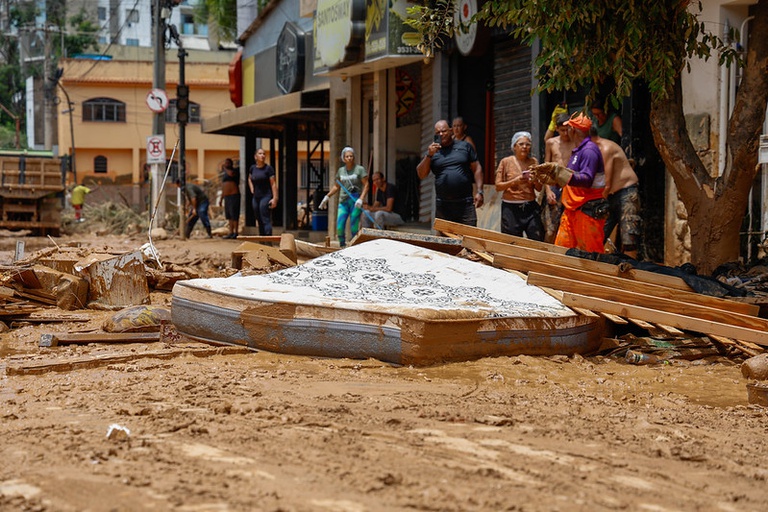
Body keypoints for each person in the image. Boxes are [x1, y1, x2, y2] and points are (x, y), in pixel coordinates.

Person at [531, 112, 607, 253]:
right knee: (562, 252)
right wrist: (551, 179)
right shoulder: (578, 151)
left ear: (573, 130)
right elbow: (570, 179)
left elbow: (586, 179)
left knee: (590, 256)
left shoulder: (589, 151)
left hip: (587, 212)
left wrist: (558, 172)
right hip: (572, 211)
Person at [417, 119, 484, 226]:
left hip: (465, 203)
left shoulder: (464, 146)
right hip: (443, 205)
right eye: (438, 133)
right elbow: (421, 174)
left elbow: (477, 168)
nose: (441, 134)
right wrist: (429, 155)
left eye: (444, 131)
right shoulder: (432, 152)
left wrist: (480, 191)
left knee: (469, 239)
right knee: (445, 240)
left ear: (451, 131)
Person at [591, 126, 641, 259]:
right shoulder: (592, 151)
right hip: (610, 196)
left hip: (626, 192)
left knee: (629, 236)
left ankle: (630, 271)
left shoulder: (606, 148)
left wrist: (597, 200)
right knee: (597, 235)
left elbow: (607, 183)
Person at [494, 131, 544, 240]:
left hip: (530, 206)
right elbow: (498, 186)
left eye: (527, 144)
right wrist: (515, 181)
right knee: (512, 242)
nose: (524, 147)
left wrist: (534, 180)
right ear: (514, 146)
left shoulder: (533, 162)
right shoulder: (505, 162)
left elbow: (539, 188)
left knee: (537, 238)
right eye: (521, 144)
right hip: (511, 208)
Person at [318, 146, 369, 247]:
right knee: (340, 226)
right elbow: (337, 186)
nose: (349, 158)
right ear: (343, 158)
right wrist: (327, 197)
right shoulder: (341, 171)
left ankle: (355, 246)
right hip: (343, 201)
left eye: (351, 156)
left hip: (355, 200)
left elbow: (367, 185)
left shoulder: (359, 169)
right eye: (347, 156)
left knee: (354, 226)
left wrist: (361, 199)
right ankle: (342, 245)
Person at [541, 113, 574, 243]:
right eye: (562, 130)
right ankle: (547, 257)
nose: (565, 133)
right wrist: (548, 191)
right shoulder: (551, 143)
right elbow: (545, 168)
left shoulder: (576, 142)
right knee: (550, 229)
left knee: (568, 227)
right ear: (557, 129)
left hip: (571, 187)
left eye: (567, 129)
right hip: (554, 186)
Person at [248, 148, 278, 236]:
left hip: (266, 196)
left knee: (265, 218)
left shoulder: (268, 169)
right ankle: (262, 239)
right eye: (260, 154)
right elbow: (249, 178)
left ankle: (268, 240)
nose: (262, 156)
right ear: (255, 156)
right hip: (256, 197)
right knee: (258, 218)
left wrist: (275, 198)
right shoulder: (252, 168)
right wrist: (251, 188)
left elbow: (273, 184)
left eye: (264, 154)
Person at [219, 158, 240, 239]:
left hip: (233, 195)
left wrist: (225, 169)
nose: (226, 164)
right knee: (229, 216)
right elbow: (223, 187)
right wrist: (221, 199)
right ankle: (231, 232)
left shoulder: (235, 171)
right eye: (225, 163)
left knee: (234, 215)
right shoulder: (224, 175)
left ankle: (236, 232)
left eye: (227, 163)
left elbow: (231, 174)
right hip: (227, 197)